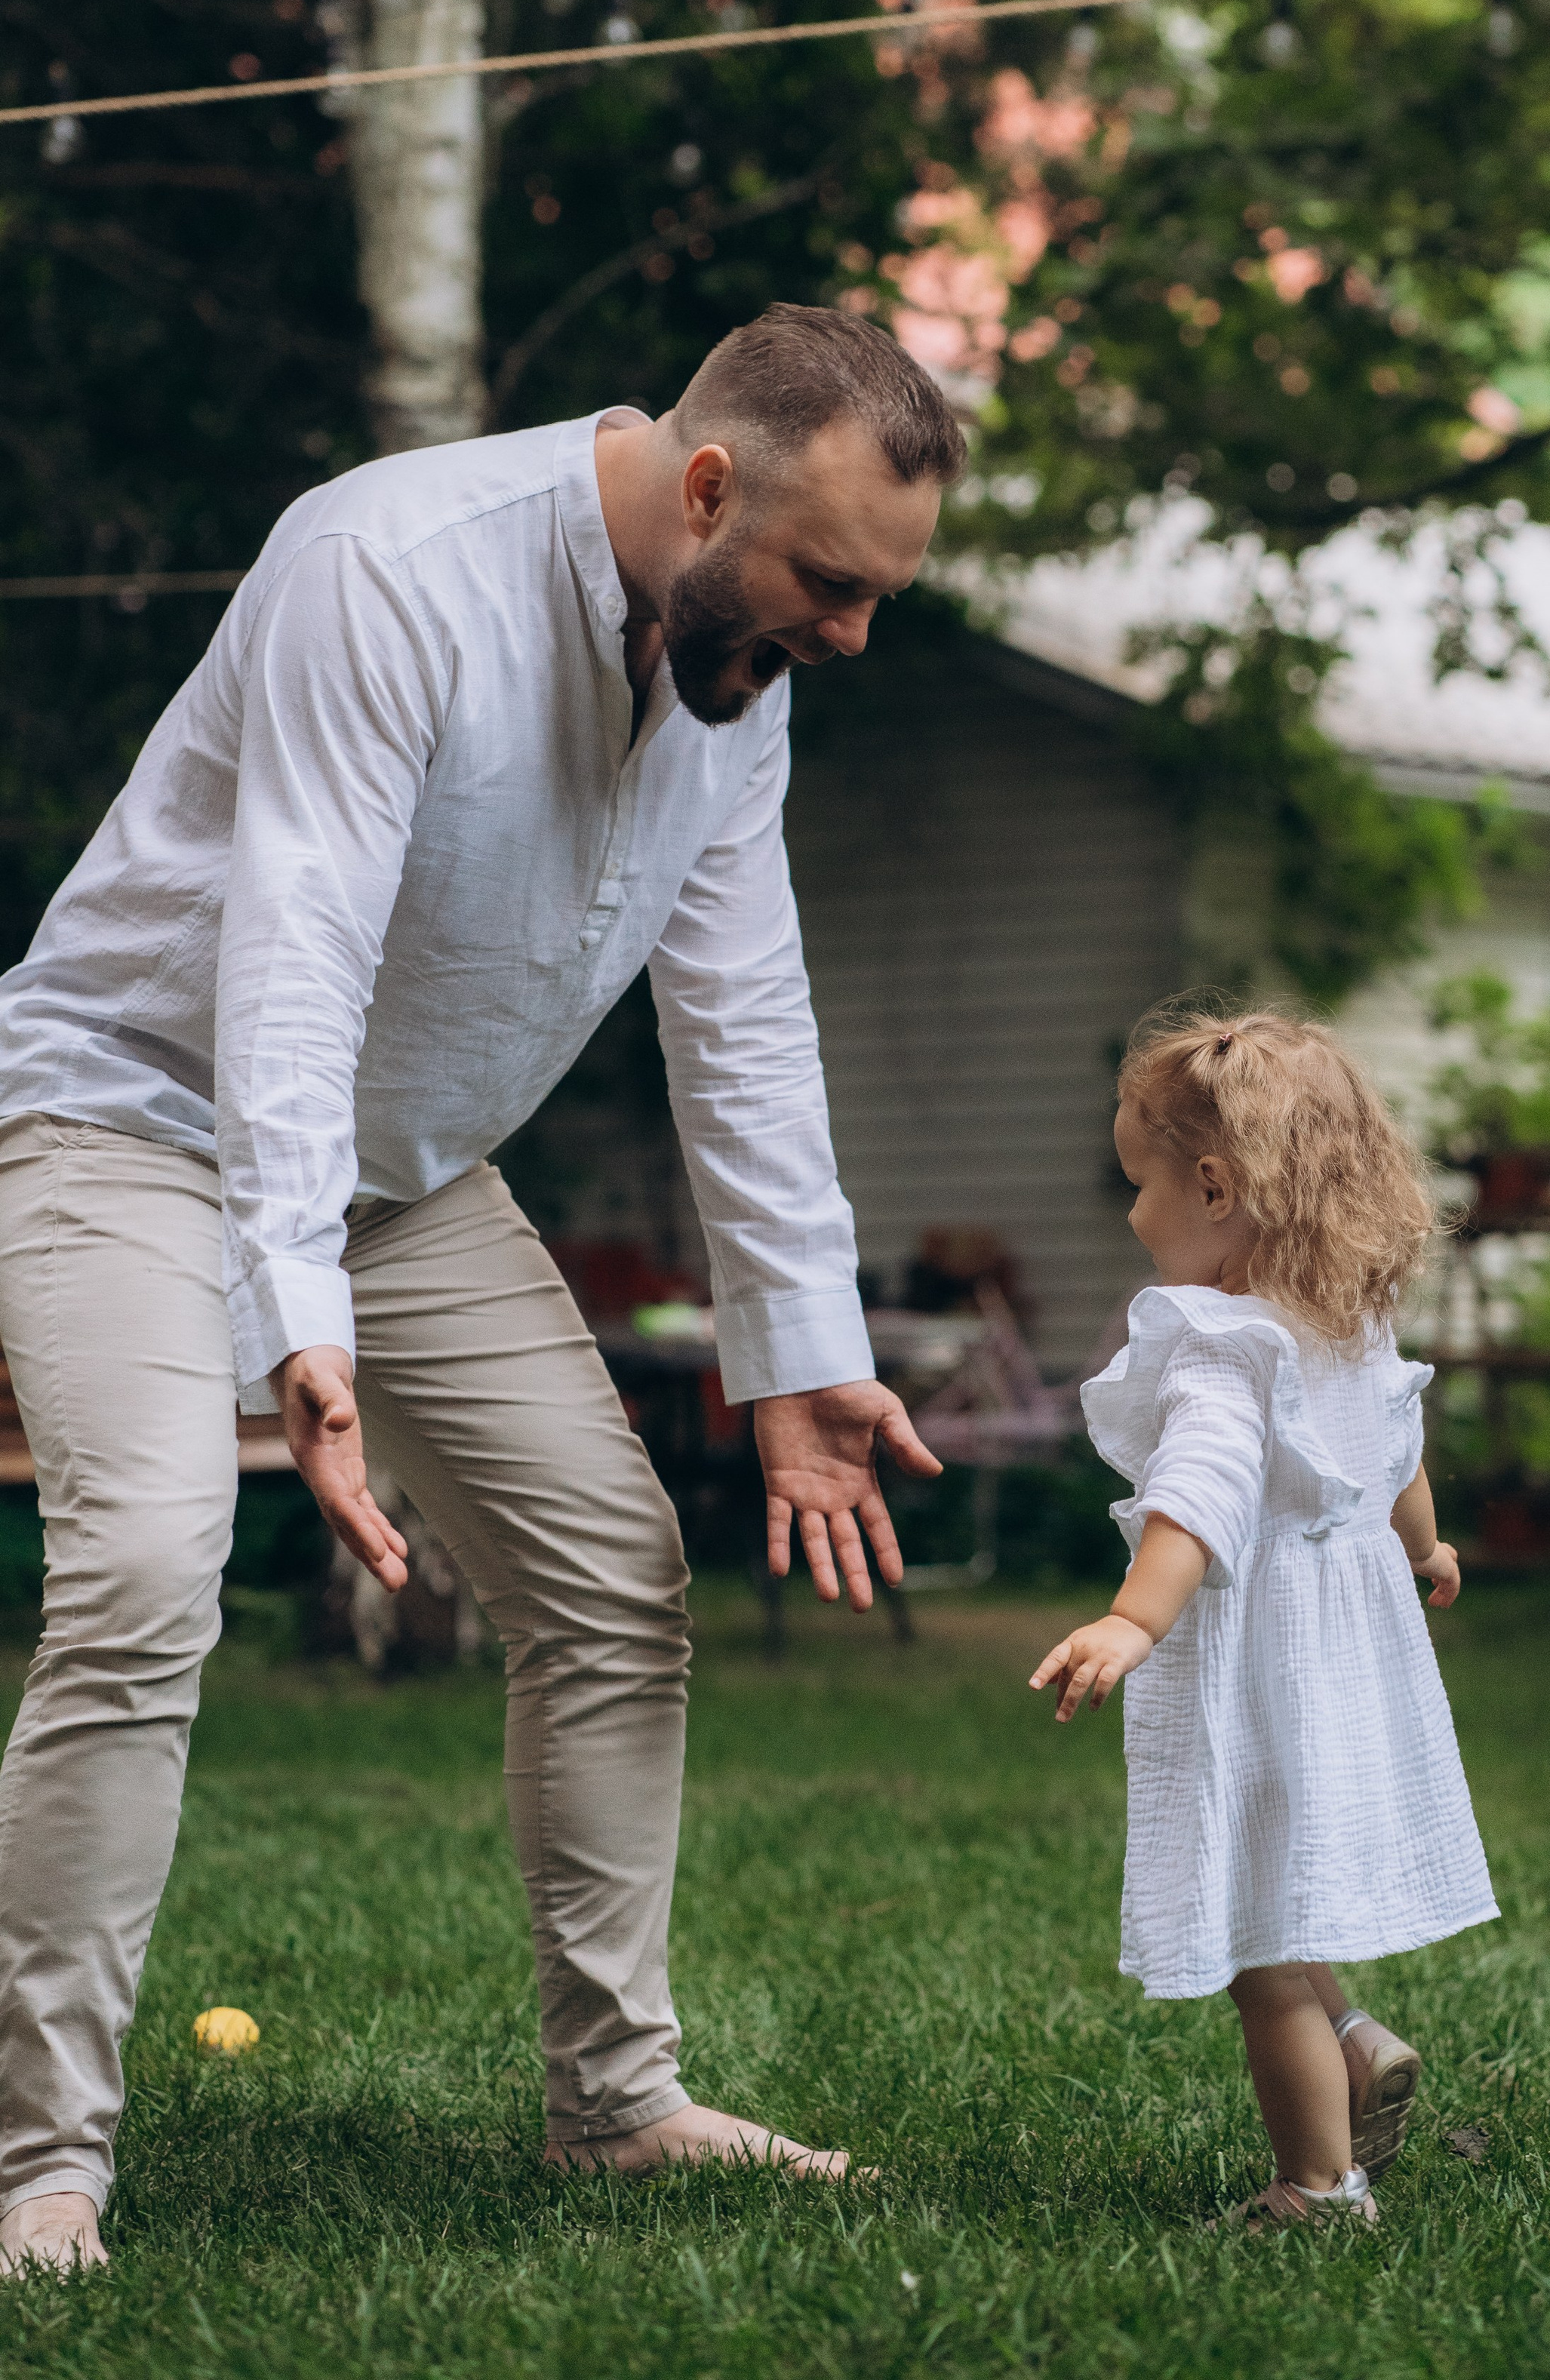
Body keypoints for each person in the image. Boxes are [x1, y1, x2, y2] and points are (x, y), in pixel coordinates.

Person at [0, 304, 964, 2274]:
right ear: (709, 487)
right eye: (832, 585)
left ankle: (619, 2107)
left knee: (616, 1585)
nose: (853, 638)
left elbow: (743, 1008)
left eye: (879, 599)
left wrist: (799, 1357)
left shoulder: (734, 668)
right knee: (150, 1573)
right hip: (127, 1120)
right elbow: (294, 957)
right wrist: (299, 1326)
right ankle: (38, 2161)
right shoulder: (384, 567)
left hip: (406, 1174)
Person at [1029, 1007, 1496, 2229]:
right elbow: (1394, 1451)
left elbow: (1198, 1496)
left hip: (1256, 1653)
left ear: (1217, 1187)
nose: (1134, 1215)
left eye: (1140, 1186)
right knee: (1280, 1880)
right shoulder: (1346, 1322)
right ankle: (1354, 2035)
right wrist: (1425, 1547)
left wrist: (1133, 1622)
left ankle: (1319, 2185)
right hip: (1345, 1654)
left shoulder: (1221, 1343)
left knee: (1253, 1947)